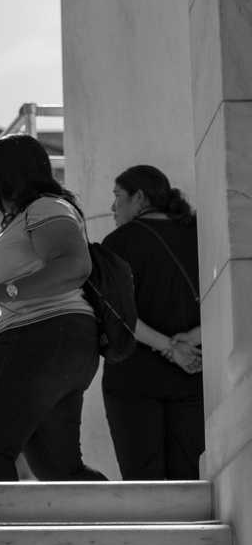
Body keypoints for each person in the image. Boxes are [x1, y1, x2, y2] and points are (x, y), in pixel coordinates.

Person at [0, 135, 106, 483]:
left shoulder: (44, 208)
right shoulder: (30, 215)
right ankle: (123, 528)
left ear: (4, 179)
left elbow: (74, 265)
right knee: (62, 472)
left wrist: (7, 290)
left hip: (36, 337)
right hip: (55, 342)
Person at [100, 164, 203, 479]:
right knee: (190, 477)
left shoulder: (117, 243)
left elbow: (117, 315)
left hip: (134, 377)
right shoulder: (202, 235)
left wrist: (169, 347)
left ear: (139, 197)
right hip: (194, 372)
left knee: (143, 481)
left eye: (118, 196)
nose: (113, 206)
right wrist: (189, 342)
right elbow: (225, 298)